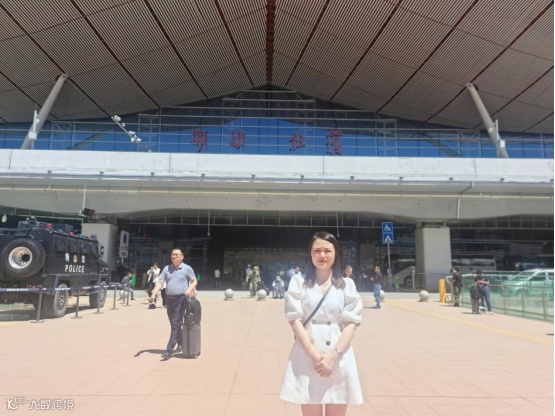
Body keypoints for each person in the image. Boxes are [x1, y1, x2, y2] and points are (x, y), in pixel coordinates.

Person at [280, 231, 363, 414]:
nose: (322, 255)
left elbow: (351, 323)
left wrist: (332, 357)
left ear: (336, 253)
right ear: (310, 254)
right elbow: (294, 320)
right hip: (308, 356)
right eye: (317, 251)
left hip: (338, 358)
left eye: (327, 250)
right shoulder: (298, 282)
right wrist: (315, 356)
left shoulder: (347, 285)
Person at [149, 248, 198, 360]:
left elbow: (194, 281)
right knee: (173, 323)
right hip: (169, 299)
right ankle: (181, 343)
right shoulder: (167, 268)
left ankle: (169, 351)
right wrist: (153, 294)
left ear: (182, 257)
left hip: (180, 299)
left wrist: (189, 289)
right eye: (172, 254)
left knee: (175, 323)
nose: (174, 256)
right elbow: (160, 282)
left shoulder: (187, 268)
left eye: (176, 255)